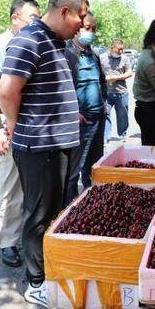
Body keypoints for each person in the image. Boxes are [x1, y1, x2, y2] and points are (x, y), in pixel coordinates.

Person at [0, 0, 89, 308]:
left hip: (58, 145)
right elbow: (8, 91)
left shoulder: (56, 42)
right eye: (80, 16)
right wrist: (16, 125)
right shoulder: (29, 40)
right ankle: (36, 281)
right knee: (37, 214)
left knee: (53, 212)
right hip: (39, 146)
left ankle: (47, 270)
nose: (83, 23)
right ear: (65, 11)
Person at [0, 0, 41, 268]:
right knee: (11, 185)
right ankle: (7, 242)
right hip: (10, 125)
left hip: (34, 126)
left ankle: (28, 237)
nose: (35, 22)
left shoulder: (35, 42)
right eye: (31, 17)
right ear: (15, 17)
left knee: (32, 187)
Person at [64, 12, 107, 205]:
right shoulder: (69, 54)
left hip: (98, 115)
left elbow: (101, 82)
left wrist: (103, 104)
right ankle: (70, 207)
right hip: (81, 120)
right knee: (75, 169)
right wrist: (74, 112)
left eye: (93, 29)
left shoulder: (94, 54)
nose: (90, 32)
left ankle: (91, 203)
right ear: (77, 28)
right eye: (87, 28)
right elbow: (64, 88)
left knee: (94, 165)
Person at [100, 39, 133, 142]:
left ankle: (123, 134)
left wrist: (116, 78)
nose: (121, 51)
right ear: (112, 48)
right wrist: (105, 79)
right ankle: (106, 137)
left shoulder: (125, 58)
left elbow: (129, 72)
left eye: (122, 49)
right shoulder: (102, 58)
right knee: (105, 115)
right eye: (119, 49)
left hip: (121, 92)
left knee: (122, 115)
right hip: (106, 93)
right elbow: (98, 73)